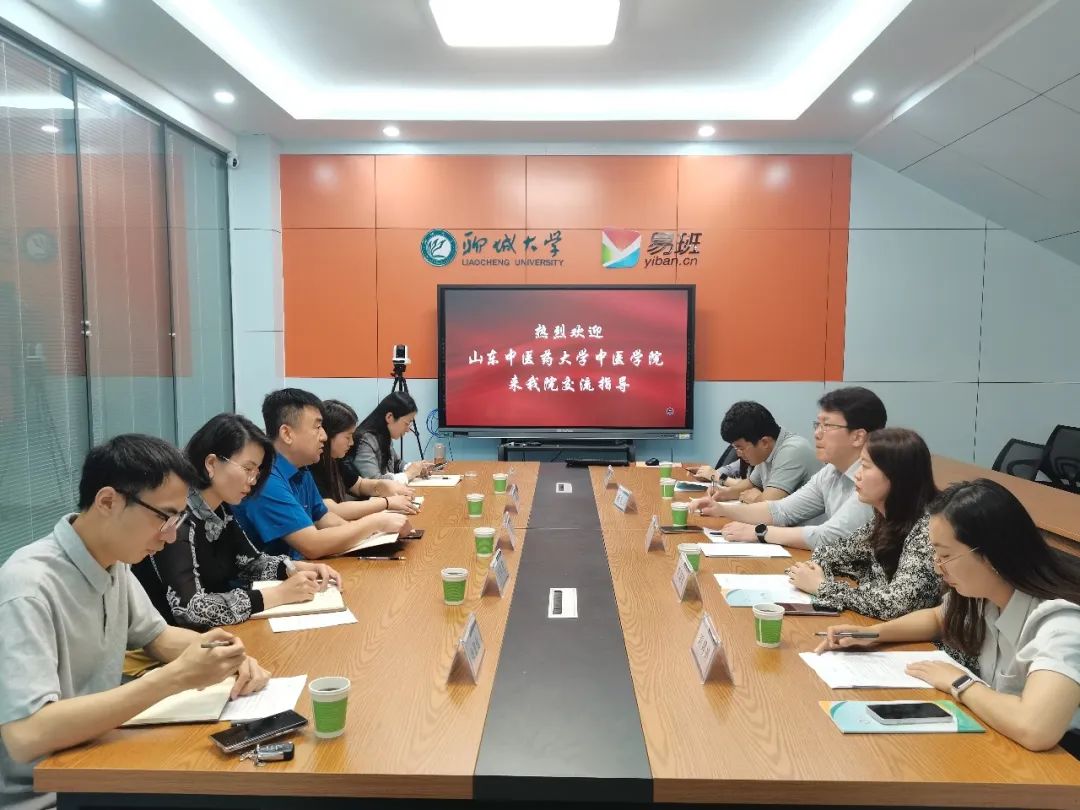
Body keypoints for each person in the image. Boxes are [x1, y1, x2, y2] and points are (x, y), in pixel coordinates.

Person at [0, 435, 271, 809]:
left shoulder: (113, 563)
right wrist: (173, 678)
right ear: (108, 502)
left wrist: (222, 654)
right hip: (48, 795)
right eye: (164, 517)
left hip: (99, 764)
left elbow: (158, 637)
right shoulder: (27, 588)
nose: (171, 535)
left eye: (177, 519)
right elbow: (25, 735)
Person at [816, 479, 1080, 754]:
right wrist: (873, 635)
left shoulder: (1061, 624)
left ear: (990, 555)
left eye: (945, 555)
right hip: (1004, 738)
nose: (938, 568)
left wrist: (960, 682)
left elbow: (1035, 728)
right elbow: (938, 618)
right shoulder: (986, 593)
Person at [132, 414, 342, 630]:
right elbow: (191, 610)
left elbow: (249, 563)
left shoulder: (221, 508)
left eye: (257, 471)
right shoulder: (178, 517)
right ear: (212, 463)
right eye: (247, 469)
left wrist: (294, 568)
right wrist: (278, 595)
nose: (253, 480)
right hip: (172, 641)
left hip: (218, 634)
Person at [692, 386, 887, 549]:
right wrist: (721, 508)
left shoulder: (877, 479)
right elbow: (781, 510)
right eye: (817, 425)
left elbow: (828, 537)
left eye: (827, 426)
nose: (817, 434)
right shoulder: (831, 471)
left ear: (858, 437)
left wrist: (760, 532)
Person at [232, 389, 410, 560]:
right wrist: (375, 523)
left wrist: (372, 535)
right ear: (287, 434)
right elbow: (312, 545)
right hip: (275, 577)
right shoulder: (267, 479)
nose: (324, 436)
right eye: (317, 427)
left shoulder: (301, 469)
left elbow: (324, 518)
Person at [787, 428, 942, 619]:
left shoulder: (929, 528)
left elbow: (897, 605)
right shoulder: (885, 516)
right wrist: (818, 575)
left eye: (866, 466)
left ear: (897, 476)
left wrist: (823, 587)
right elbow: (829, 552)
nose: (857, 475)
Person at [309, 399, 418, 520]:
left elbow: (359, 485)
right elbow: (332, 510)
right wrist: (386, 503)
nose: (351, 442)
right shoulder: (311, 465)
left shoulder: (334, 460)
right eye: (348, 437)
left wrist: (382, 485)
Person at [692, 401, 819, 504]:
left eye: (740, 448)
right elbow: (751, 484)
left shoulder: (793, 451)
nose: (738, 454)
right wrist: (724, 493)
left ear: (764, 442)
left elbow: (769, 505)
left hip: (808, 528)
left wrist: (758, 498)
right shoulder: (766, 450)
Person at [346, 392, 434, 482]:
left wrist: (414, 468)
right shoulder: (365, 440)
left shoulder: (384, 436)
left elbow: (396, 463)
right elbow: (375, 482)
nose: (408, 429)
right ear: (389, 417)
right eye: (406, 423)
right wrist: (408, 474)